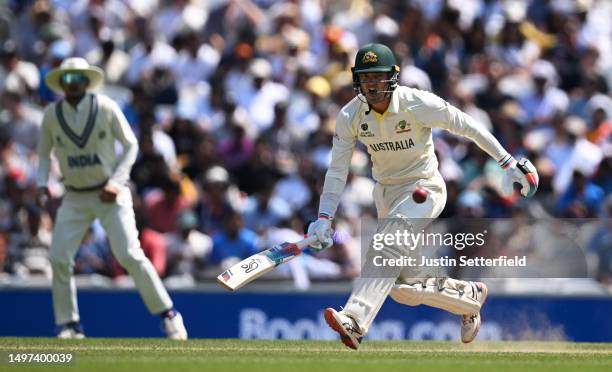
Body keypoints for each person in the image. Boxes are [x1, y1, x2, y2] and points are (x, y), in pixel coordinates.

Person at [307, 44, 538, 349]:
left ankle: (354, 320)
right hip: (387, 194)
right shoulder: (350, 115)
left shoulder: (417, 103)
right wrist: (324, 217)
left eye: (378, 76)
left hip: (423, 189)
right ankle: (468, 298)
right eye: (366, 78)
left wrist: (507, 162)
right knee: (405, 288)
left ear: (393, 77)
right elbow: (337, 171)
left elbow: (467, 125)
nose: (372, 84)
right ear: (357, 80)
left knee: (385, 245)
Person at [36, 58, 187, 340]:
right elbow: (44, 154)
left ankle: (169, 314)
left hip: (109, 193)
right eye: (67, 79)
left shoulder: (105, 107)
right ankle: (69, 325)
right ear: (62, 83)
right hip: (75, 196)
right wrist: (43, 183)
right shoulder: (52, 115)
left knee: (129, 254)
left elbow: (131, 146)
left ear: (86, 81)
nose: (72, 85)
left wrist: (116, 183)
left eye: (78, 79)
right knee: (58, 257)